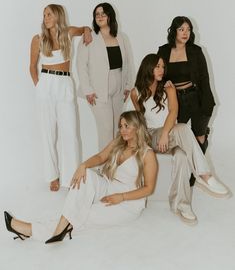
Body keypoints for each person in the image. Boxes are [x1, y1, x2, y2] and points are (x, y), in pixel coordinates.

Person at [4, 111, 158, 243]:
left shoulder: (147, 154)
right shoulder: (119, 142)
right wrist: (83, 166)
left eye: (126, 126)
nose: (122, 130)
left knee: (84, 213)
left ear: (137, 127)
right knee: (88, 175)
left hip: (127, 204)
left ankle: (30, 230)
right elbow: (100, 157)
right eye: (121, 126)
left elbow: (149, 188)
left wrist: (122, 197)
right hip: (108, 187)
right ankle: (62, 227)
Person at [130, 54, 230, 225]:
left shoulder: (168, 88)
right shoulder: (136, 92)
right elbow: (139, 122)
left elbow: (173, 113)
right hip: (151, 137)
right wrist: (150, 141)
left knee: (182, 155)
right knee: (183, 128)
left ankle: (181, 205)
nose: (162, 70)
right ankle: (204, 175)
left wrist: (165, 134)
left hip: (169, 135)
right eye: (157, 67)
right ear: (148, 68)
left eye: (163, 66)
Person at [30, 4, 92, 191]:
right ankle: (52, 176)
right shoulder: (38, 39)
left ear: (58, 15)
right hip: (46, 84)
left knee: (70, 133)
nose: (46, 17)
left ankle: (71, 178)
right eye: (44, 15)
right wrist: (40, 86)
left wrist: (88, 31)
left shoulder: (67, 33)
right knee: (48, 133)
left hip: (65, 84)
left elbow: (83, 29)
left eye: (49, 14)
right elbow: (32, 66)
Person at [157, 16, 215, 186]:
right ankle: (184, 167)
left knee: (199, 136)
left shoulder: (196, 51)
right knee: (180, 136)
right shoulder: (164, 50)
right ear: (173, 31)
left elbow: (204, 79)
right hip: (175, 100)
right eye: (181, 29)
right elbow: (157, 72)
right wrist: (163, 83)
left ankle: (195, 172)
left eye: (188, 29)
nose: (185, 33)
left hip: (196, 97)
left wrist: (207, 106)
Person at [77, 2, 134, 151]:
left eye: (103, 14)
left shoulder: (122, 37)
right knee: (106, 129)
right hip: (97, 91)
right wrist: (88, 90)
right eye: (97, 14)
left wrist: (128, 86)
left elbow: (128, 63)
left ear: (110, 16)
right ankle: (104, 169)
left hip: (118, 89)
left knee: (117, 129)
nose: (100, 17)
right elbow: (81, 66)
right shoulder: (89, 38)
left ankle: (115, 167)